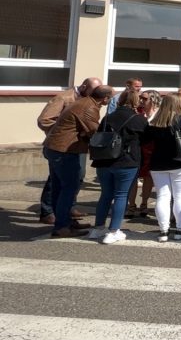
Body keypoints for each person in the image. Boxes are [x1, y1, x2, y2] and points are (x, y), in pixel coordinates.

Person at [43, 85, 112, 237]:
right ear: (105, 98)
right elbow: (95, 131)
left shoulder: (84, 102)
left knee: (59, 187)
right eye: (110, 98)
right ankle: (62, 226)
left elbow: (84, 129)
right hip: (64, 150)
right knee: (69, 188)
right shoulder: (89, 107)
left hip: (55, 147)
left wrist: (83, 133)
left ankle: (64, 222)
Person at [35, 77, 101, 225]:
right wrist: (63, 132)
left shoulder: (86, 100)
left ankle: (68, 208)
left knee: (77, 177)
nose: (95, 94)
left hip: (77, 145)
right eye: (93, 90)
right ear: (84, 86)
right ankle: (48, 211)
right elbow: (44, 120)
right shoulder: (64, 98)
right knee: (57, 180)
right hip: (62, 147)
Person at [88, 89, 148, 244]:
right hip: (126, 161)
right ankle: (114, 230)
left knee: (105, 195)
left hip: (104, 160)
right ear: (136, 102)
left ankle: (98, 228)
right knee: (121, 195)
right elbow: (147, 140)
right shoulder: (138, 119)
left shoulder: (108, 117)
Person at [144, 92, 181, 242]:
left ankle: (163, 231)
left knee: (162, 196)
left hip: (158, 163)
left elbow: (144, 140)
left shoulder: (155, 120)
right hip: (180, 162)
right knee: (180, 197)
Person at [127, 90, 161, 219]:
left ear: (153, 100)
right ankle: (131, 205)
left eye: (144, 99)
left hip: (152, 149)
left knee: (148, 177)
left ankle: (144, 203)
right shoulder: (137, 113)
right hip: (136, 149)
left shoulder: (159, 114)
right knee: (133, 177)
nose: (141, 101)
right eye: (141, 98)